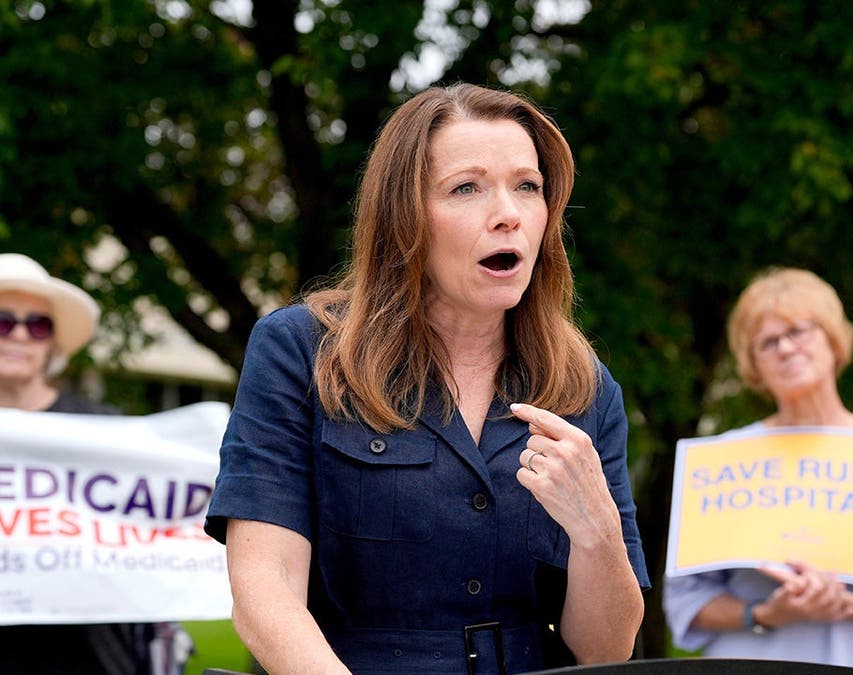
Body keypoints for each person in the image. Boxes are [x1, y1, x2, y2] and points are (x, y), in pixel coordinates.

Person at [204, 84, 649, 674]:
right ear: (403, 215)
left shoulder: (585, 388)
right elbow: (265, 593)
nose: (508, 214)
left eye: (528, 187)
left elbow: (605, 651)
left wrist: (598, 534)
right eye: (466, 188)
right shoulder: (301, 352)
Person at [662, 268, 853, 674]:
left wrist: (842, 603)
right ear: (754, 365)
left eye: (799, 330)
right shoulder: (723, 459)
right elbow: (685, 600)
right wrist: (765, 612)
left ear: (833, 340)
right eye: (768, 342)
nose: (785, 348)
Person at [0, 252, 188, 674]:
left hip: (94, 655)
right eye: (3, 321)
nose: (19, 336)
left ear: (51, 342)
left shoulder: (106, 432)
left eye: (37, 325)